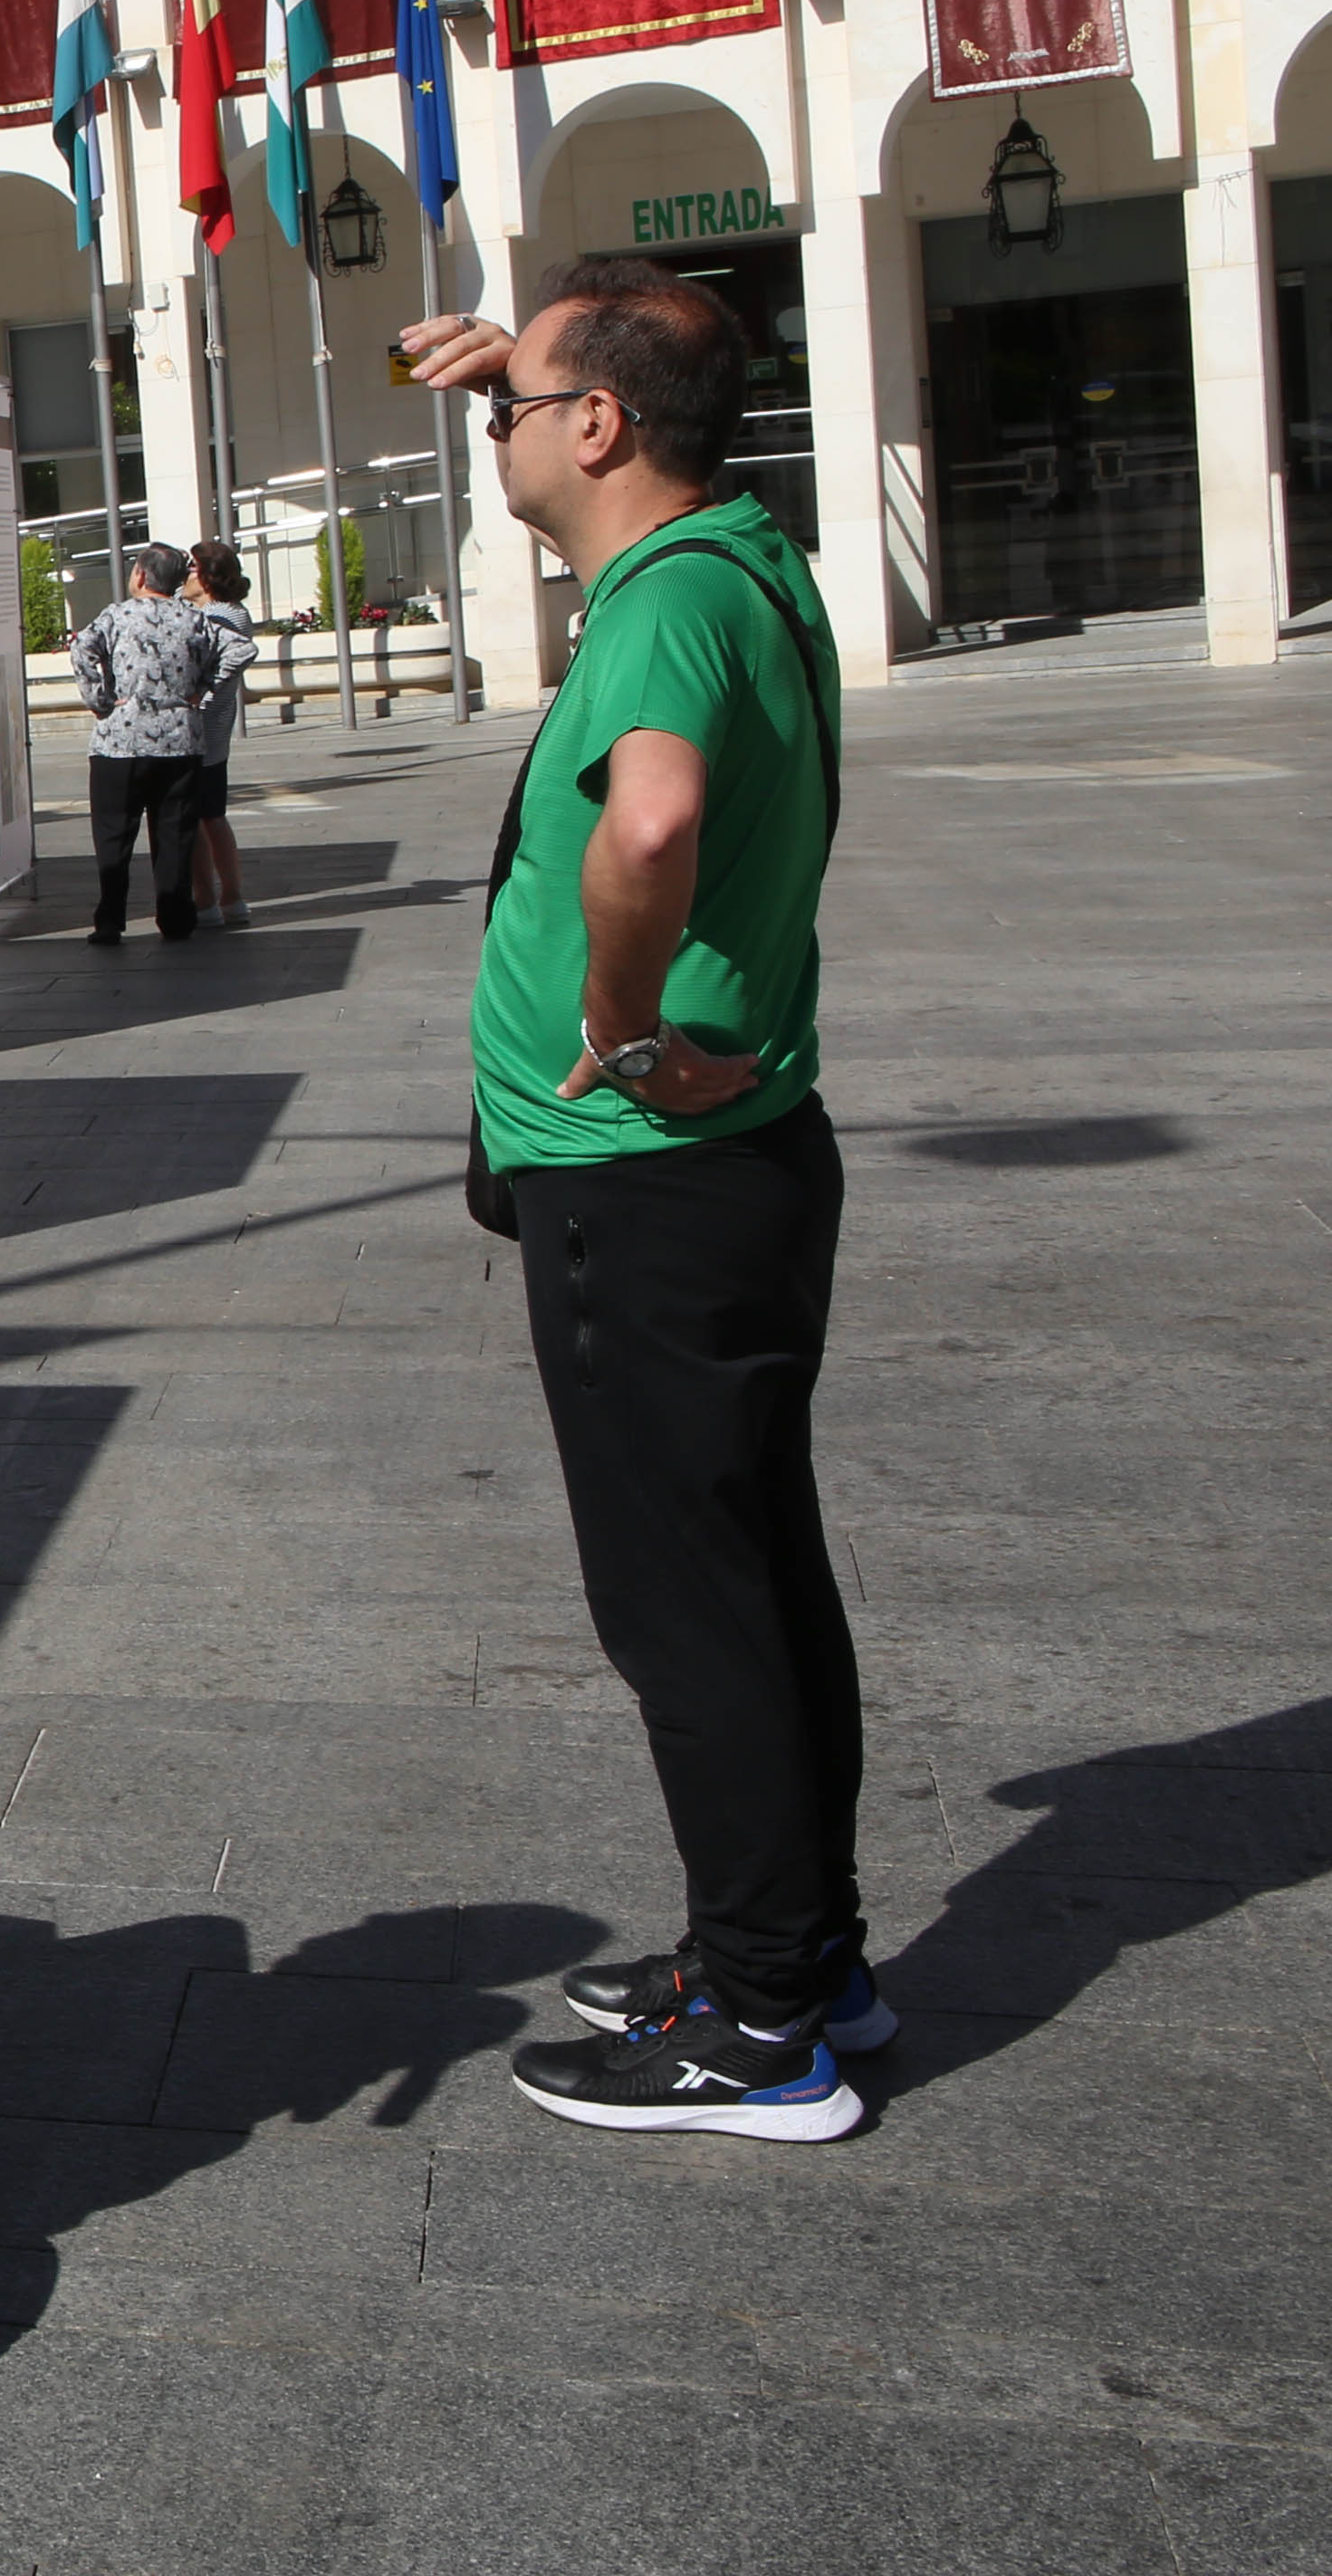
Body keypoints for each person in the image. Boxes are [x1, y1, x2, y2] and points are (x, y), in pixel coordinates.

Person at [399, 261, 868, 2142]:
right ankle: (797, 1950)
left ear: (599, 431)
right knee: (756, 1572)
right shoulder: (741, 551)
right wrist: (513, 366)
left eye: (523, 404)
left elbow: (650, 820)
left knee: (685, 1608)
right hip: (729, 1170)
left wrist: (615, 1015)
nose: (498, 422)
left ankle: (759, 2026)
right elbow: (591, 397)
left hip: (650, 1181)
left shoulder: (665, 603)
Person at [71, 543, 227, 945]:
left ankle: (109, 920)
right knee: (175, 833)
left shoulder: (117, 615)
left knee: (113, 834)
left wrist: (101, 700)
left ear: (140, 575)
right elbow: (240, 648)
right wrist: (201, 688)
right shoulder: (195, 618)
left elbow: (81, 647)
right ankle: (176, 917)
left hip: (120, 741)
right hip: (180, 740)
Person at [181, 541, 260, 926]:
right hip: (217, 730)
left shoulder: (214, 616)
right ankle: (231, 897)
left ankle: (207, 900)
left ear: (208, 577)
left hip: (199, 729)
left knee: (194, 817)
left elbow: (240, 654)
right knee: (213, 814)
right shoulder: (234, 612)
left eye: (191, 568)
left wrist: (203, 695)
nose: (185, 575)